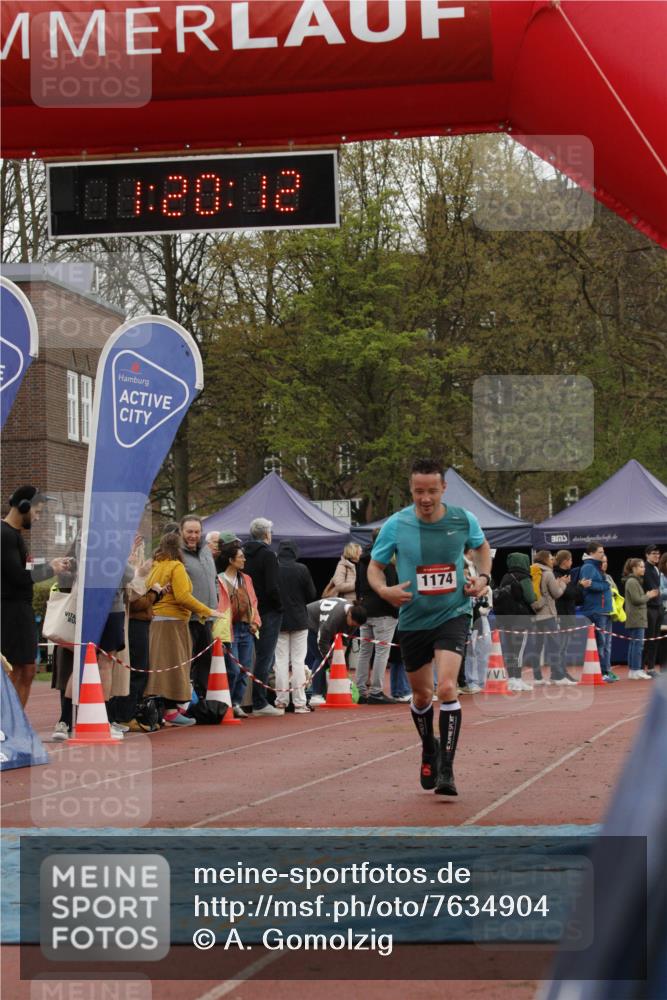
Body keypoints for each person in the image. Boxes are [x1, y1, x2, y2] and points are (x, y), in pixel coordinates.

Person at [367, 459, 492, 797]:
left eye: (432, 491)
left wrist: (482, 577)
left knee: (448, 687)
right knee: (422, 695)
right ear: (411, 490)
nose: (425, 498)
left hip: (453, 612)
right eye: (419, 491)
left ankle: (447, 771)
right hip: (413, 619)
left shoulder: (462, 519)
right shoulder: (396, 524)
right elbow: (374, 568)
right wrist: (383, 590)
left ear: (443, 489)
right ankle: (428, 747)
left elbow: (482, 548)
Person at [144, 532, 224, 726]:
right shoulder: (176, 566)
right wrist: (208, 611)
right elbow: (183, 597)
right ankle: (171, 711)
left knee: (160, 667)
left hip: (156, 621)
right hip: (173, 622)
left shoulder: (156, 566)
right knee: (175, 666)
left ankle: (164, 709)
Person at [1, 485, 69, 706]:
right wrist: (50, 569)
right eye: (37, 511)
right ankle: (9, 724)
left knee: (26, 669)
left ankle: (14, 723)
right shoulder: (5, 535)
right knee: (18, 669)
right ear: (23, 506)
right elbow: (19, 577)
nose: (38, 518)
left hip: (19, 610)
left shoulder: (14, 536)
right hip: (11, 611)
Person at [216, 539, 261, 718]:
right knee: (233, 669)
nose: (244, 560)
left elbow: (254, 601)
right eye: (240, 557)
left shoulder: (246, 579)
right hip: (230, 628)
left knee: (245, 668)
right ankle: (226, 702)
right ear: (230, 560)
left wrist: (256, 622)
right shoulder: (219, 579)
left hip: (246, 627)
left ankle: (236, 702)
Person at [243, 517, 283, 716]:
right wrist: (279, 607)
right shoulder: (268, 555)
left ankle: (244, 699)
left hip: (247, 610)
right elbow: (272, 586)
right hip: (267, 610)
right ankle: (260, 701)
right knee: (265, 656)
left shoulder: (241, 553)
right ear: (267, 534)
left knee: (246, 655)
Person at [355, 529, 399, 704]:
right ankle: (376, 691)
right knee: (382, 652)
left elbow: (357, 585)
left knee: (365, 651)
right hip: (384, 611)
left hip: (365, 610)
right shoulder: (386, 560)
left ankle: (360, 689)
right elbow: (391, 587)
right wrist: (395, 611)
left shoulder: (362, 560)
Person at [275, 539, 317, 713]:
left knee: (280, 662)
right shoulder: (302, 569)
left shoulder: (274, 569)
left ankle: (281, 701)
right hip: (300, 619)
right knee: (299, 662)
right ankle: (300, 702)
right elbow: (311, 594)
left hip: (279, 620)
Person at [180, 515, 218, 700]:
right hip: (188, 617)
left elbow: (213, 579)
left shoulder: (206, 551)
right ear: (181, 532)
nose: (193, 536)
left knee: (206, 660)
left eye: (196, 532)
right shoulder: (177, 554)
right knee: (188, 660)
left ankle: (201, 699)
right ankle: (184, 700)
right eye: (189, 532)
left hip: (207, 617)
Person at [306, 597, 368, 705]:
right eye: (353, 624)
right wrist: (331, 660)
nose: (354, 627)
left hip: (324, 627)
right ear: (349, 615)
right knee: (321, 659)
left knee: (330, 661)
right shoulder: (335, 618)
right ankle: (315, 694)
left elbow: (345, 639)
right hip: (310, 623)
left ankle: (319, 691)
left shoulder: (353, 620)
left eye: (356, 626)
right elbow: (322, 641)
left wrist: (339, 660)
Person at [525, 551, 575, 685]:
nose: (553, 561)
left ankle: (538, 677)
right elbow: (557, 593)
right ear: (546, 559)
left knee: (537, 646)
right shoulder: (548, 573)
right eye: (551, 558)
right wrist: (562, 583)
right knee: (555, 646)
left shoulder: (532, 573)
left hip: (536, 614)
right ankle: (557, 676)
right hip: (548, 614)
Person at [495, 553, 541, 692]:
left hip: (505, 618)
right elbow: (530, 597)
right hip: (520, 618)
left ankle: (512, 679)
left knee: (509, 649)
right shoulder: (524, 577)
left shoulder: (505, 577)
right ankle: (518, 679)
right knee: (519, 650)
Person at [579, 542, 615, 682]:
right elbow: (588, 585)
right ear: (592, 553)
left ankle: (605, 671)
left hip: (605, 611)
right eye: (600, 552)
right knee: (601, 643)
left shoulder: (597, 567)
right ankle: (602, 672)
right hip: (596, 611)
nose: (603, 554)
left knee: (605, 644)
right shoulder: (588, 567)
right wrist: (606, 584)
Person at [622, 558, 659, 679]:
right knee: (638, 645)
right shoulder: (632, 582)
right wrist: (648, 595)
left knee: (635, 644)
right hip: (637, 617)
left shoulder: (635, 581)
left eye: (644, 566)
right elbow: (637, 600)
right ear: (634, 568)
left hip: (637, 617)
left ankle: (634, 670)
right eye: (641, 567)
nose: (644, 569)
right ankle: (636, 669)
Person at [642, 545, 662, 677]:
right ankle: (644, 667)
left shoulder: (656, 568)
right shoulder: (644, 568)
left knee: (655, 639)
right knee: (649, 639)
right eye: (654, 553)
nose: (657, 556)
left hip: (658, 606)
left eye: (658, 553)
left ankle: (651, 667)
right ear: (647, 555)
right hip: (649, 607)